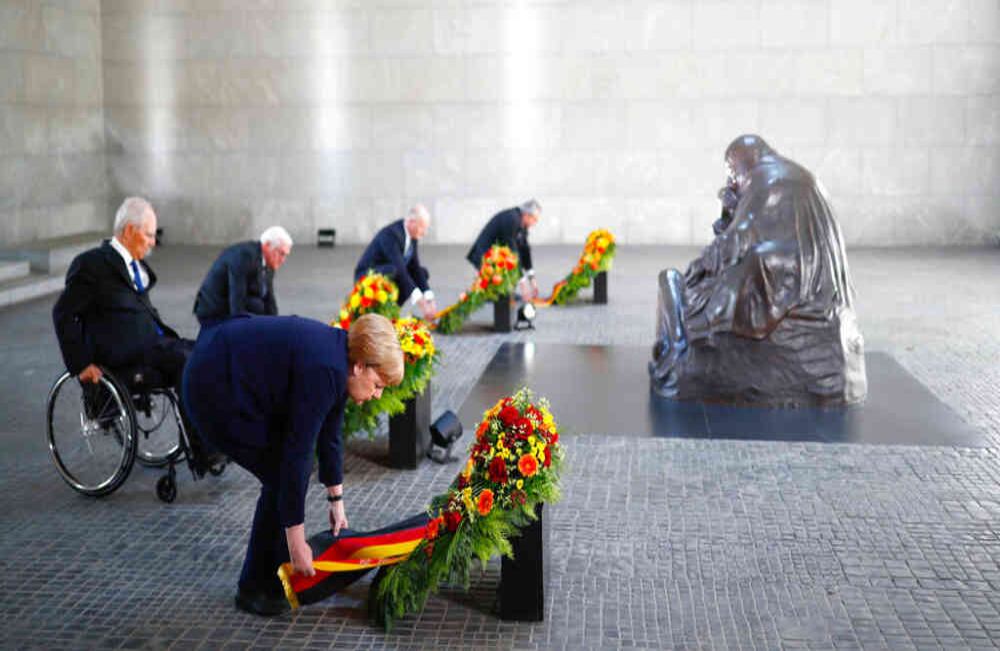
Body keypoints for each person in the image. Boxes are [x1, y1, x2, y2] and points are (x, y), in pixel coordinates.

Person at [181, 313, 404, 616]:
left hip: (227, 366)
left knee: (281, 474)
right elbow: (298, 454)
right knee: (279, 473)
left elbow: (331, 434)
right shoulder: (326, 369)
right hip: (213, 386)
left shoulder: (342, 356)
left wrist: (336, 501)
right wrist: (297, 544)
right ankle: (255, 588)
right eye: (377, 385)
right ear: (360, 366)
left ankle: (267, 578)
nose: (378, 395)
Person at [649, 134, 867, 406]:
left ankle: (693, 336)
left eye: (731, 171)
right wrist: (729, 212)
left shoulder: (764, 177)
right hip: (820, 280)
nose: (732, 179)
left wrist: (698, 268)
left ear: (741, 162)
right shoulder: (797, 174)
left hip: (789, 274)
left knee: (720, 283)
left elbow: (740, 236)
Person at [51, 196, 221, 472]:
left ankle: (218, 434)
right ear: (130, 230)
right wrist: (80, 364)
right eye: (149, 235)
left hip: (155, 345)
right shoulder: (91, 265)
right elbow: (63, 313)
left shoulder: (134, 266)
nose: (153, 242)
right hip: (127, 356)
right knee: (186, 361)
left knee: (209, 352)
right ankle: (205, 451)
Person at [193, 226, 292, 328]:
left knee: (259, 305)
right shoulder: (244, 256)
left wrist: (276, 326)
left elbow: (269, 298)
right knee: (256, 306)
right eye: (281, 254)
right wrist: (242, 331)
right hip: (212, 311)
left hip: (231, 303)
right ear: (267, 245)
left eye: (286, 255)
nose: (283, 260)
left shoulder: (269, 262)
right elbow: (237, 299)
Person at [354, 205, 436, 320]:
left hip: (390, 271)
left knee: (422, 273)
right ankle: (380, 315)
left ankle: (393, 310)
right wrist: (421, 302)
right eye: (422, 228)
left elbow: (415, 267)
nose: (424, 233)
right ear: (411, 222)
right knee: (396, 271)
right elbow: (400, 269)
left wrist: (429, 297)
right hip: (366, 276)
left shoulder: (413, 235)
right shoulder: (391, 234)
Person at [466, 199, 541, 301]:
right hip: (484, 256)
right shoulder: (512, 220)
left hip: (497, 254)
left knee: (513, 267)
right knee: (511, 266)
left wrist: (532, 280)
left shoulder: (522, 223)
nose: (535, 223)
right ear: (527, 215)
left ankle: (499, 292)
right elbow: (513, 253)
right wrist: (524, 286)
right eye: (535, 219)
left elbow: (525, 250)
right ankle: (490, 292)